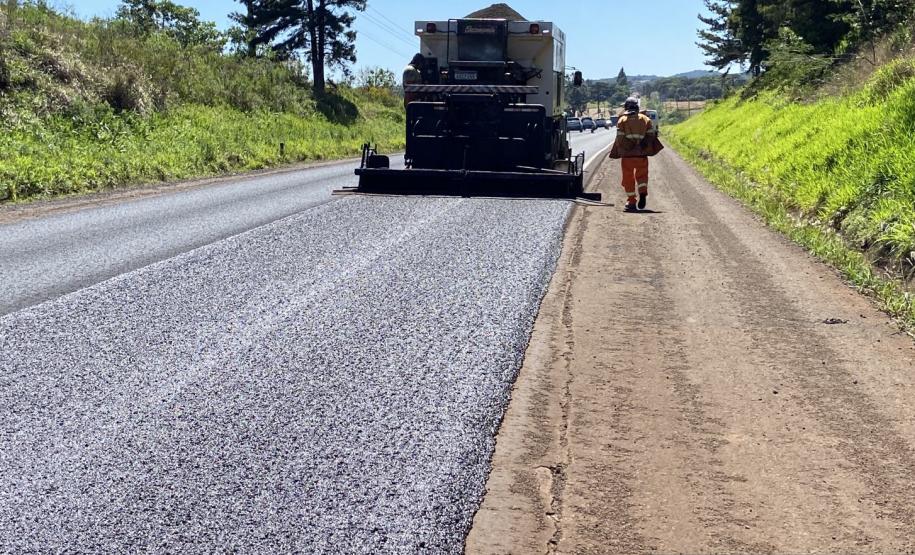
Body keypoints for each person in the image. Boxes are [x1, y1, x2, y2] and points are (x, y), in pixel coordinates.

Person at [612, 97, 657, 212]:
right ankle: (642, 193)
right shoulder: (645, 119)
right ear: (637, 107)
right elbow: (651, 136)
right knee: (642, 176)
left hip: (628, 156)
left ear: (626, 107)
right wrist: (642, 146)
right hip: (641, 155)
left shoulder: (622, 120)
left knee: (628, 178)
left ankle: (631, 201)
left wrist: (628, 148)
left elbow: (620, 138)